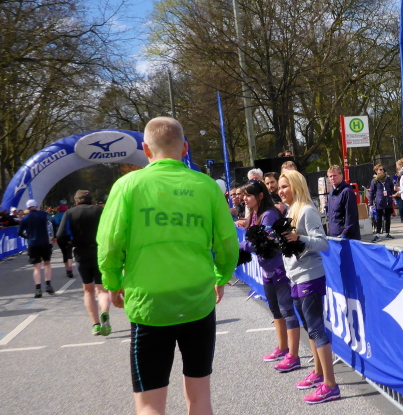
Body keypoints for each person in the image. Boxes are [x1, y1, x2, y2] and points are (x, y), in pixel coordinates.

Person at [96, 116, 239, 415]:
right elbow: (228, 242)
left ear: (146, 150)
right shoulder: (206, 186)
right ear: (184, 148)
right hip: (197, 300)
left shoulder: (127, 185)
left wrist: (112, 284)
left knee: (150, 404)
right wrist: (221, 276)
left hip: (148, 303)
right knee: (200, 397)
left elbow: (109, 243)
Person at [277, 170, 340, 404]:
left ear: (296, 186)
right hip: (295, 277)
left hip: (310, 277)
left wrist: (299, 238)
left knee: (316, 329)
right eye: (280, 187)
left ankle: (331, 385)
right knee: (309, 328)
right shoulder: (291, 210)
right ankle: (318, 372)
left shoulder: (307, 210)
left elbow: (323, 243)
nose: (281, 191)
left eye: (285, 186)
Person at [237, 181, 300, 364]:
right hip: (267, 270)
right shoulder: (256, 214)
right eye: (244, 195)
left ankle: (293, 356)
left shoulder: (269, 214)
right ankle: (282, 347)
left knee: (287, 311)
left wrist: (238, 245)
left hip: (279, 268)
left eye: (248, 195)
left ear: (260, 196)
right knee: (275, 310)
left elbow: (262, 243)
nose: (244, 199)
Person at [56, 190, 111, 336]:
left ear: (76, 201)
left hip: (81, 253)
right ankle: (104, 312)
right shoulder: (99, 211)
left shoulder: (70, 213)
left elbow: (60, 235)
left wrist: (71, 242)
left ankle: (96, 325)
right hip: (99, 251)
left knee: (88, 290)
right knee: (102, 289)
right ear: (91, 200)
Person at [18, 199, 55, 298]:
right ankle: (48, 285)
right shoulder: (43, 214)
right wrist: (53, 236)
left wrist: (28, 237)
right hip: (45, 242)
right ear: (37, 206)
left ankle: (38, 289)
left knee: (36, 266)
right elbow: (52, 221)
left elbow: (19, 232)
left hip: (33, 244)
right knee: (47, 263)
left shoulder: (25, 218)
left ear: (27, 208)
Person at [326, 165, 360, 240]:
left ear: (341, 175)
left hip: (345, 237)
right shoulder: (331, 194)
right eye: (330, 176)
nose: (332, 178)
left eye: (335, 175)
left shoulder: (347, 192)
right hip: (333, 236)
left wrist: (344, 234)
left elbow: (351, 215)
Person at [368, 163, 396, 242]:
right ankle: (378, 235)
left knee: (388, 218)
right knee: (379, 218)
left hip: (388, 201)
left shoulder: (388, 179)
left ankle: (387, 233)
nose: (382, 171)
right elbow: (371, 192)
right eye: (380, 169)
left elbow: (392, 188)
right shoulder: (374, 180)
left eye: (383, 169)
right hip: (379, 202)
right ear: (376, 171)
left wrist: (391, 195)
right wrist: (371, 203)